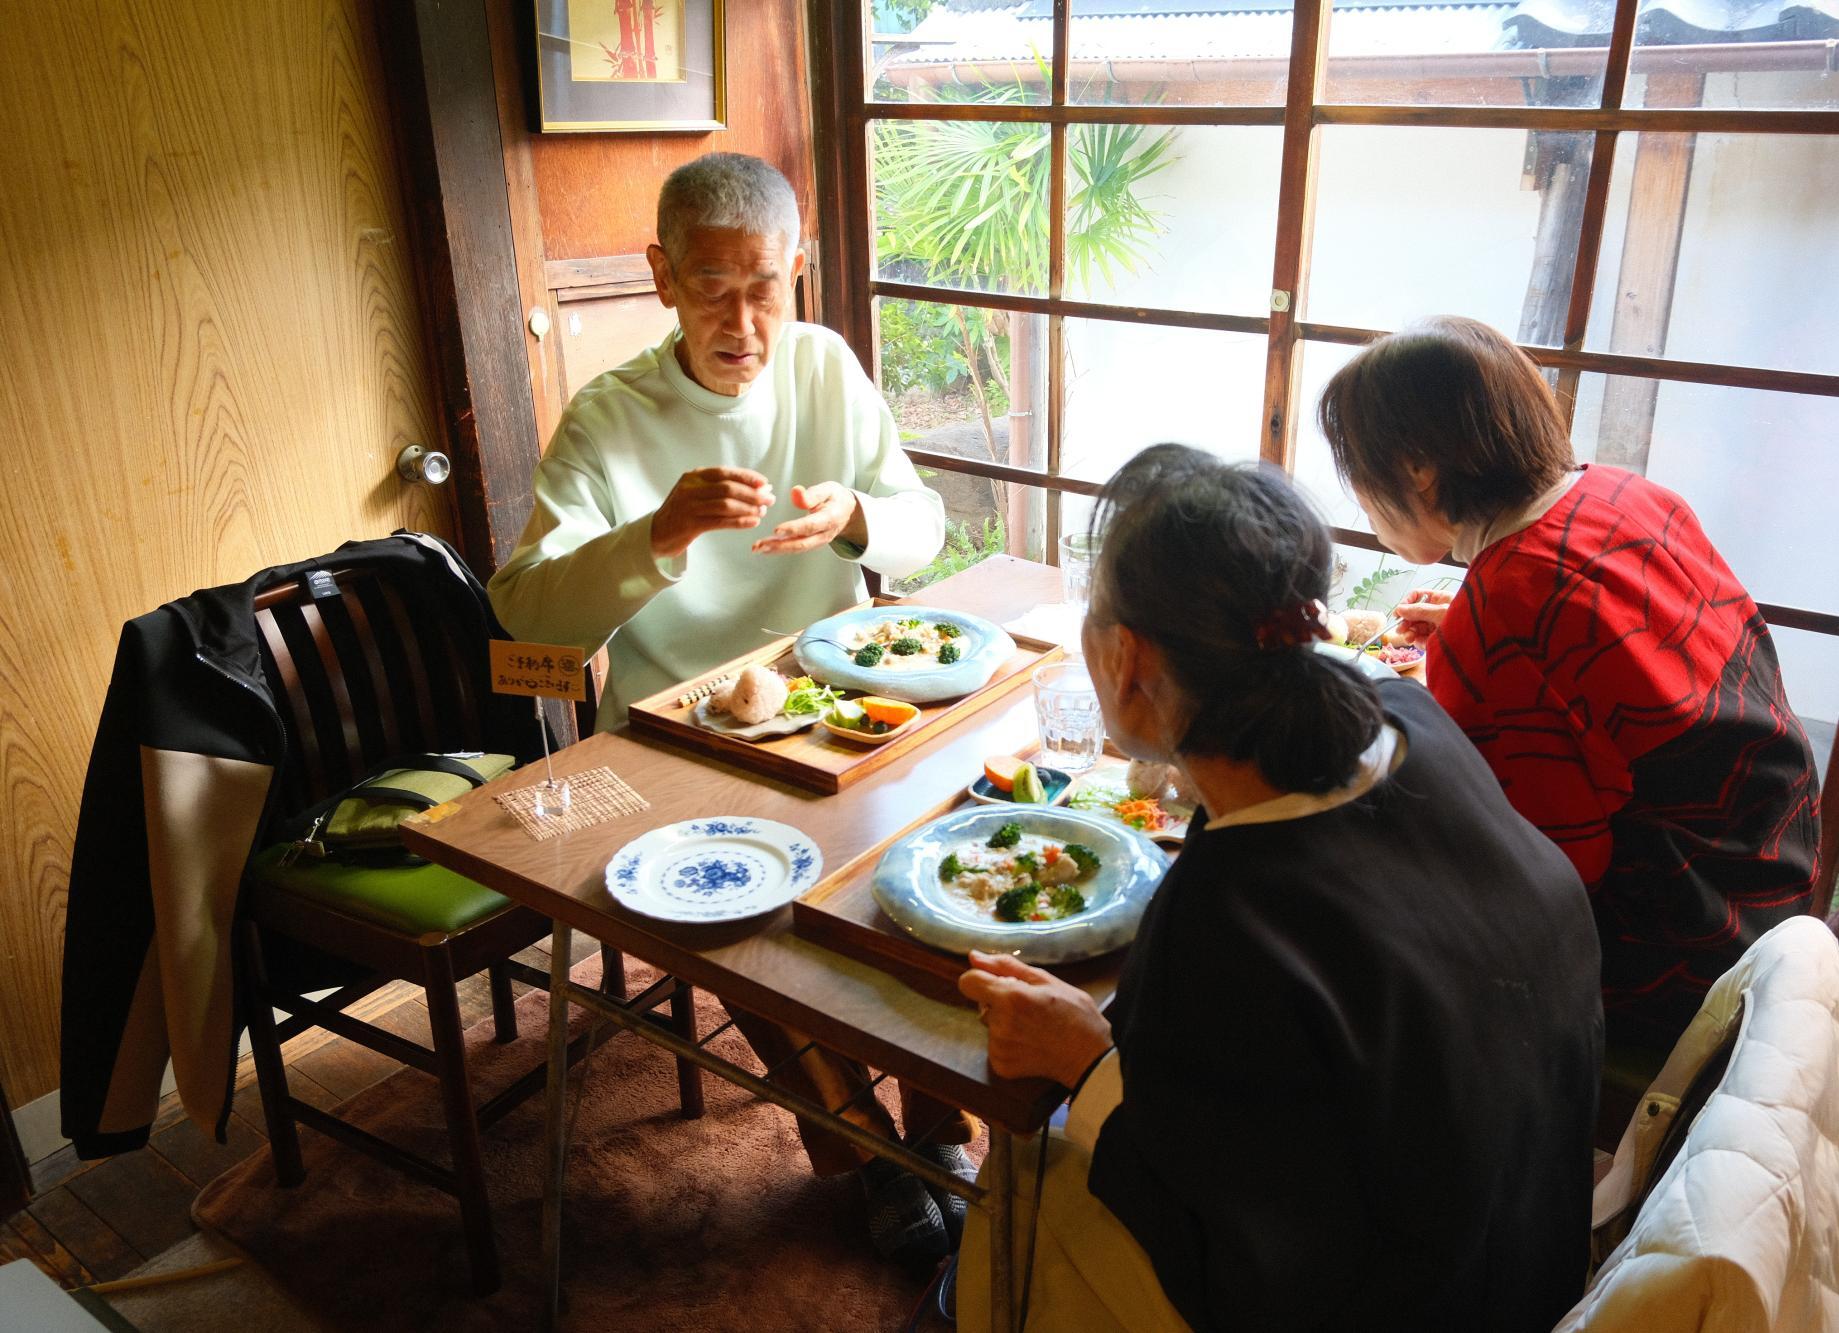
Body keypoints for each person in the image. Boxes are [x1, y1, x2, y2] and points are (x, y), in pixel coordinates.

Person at [953, 445, 1604, 1331]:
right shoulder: (1415, 723)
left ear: (1127, 658)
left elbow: (1244, 1255)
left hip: (1405, 1298)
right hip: (1533, 1235)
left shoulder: (1226, 915)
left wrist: (1087, 1063)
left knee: (1030, 1167)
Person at [489, 153, 967, 1264]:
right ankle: (867, 1159)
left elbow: (921, 522)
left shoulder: (825, 368)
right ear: (661, 277)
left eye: (763, 286)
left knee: (927, 866)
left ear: (795, 270)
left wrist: (856, 515)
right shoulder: (611, 418)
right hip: (679, 740)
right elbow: (526, 618)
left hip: (843, 707)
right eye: (712, 287)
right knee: (743, 917)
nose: (742, 321)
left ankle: (941, 1139)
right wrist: (652, 537)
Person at [1317, 315, 1822, 1053]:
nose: (1361, 500)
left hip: (1679, 956)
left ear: (1419, 467)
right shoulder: (1624, 496)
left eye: (1359, 476)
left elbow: (1544, 874)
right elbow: (1623, 645)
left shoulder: (1505, 612)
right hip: (1775, 879)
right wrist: (1474, 619)